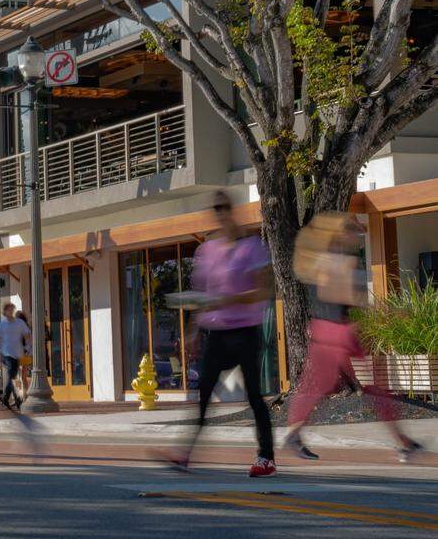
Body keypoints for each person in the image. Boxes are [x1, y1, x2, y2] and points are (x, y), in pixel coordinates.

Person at [285, 213, 423, 462]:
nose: (359, 236)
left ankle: (295, 434)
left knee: (319, 388)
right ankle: (403, 443)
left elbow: (333, 297)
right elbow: (347, 297)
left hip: (322, 332)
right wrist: (388, 311)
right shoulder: (340, 261)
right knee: (375, 387)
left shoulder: (317, 262)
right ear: (340, 234)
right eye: (354, 231)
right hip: (341, 334)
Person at [163, 190, 277, 478]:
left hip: (245, 330)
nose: (221, 213)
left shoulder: (252, 246)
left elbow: (264, 291)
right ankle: (185, 454)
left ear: (232, 210)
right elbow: (202, 296)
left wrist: (230, 300)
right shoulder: (208, 250)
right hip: (217, 332)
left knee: (253, 395)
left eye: (224, 207)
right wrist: (192, 330)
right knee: (202, 394)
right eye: (216, 208)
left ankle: (266, 458)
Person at [0, 302, 30, 410]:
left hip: (17, 354)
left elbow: (27, 334)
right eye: (9, 309)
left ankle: (16, 400)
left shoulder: (19, 323)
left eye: (13, 309)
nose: (11, 311)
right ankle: (7, 399)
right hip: (6, 354)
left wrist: (29, 347)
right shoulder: (2, 324)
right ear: (5, 311)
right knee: (12, 376)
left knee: (12, 377)